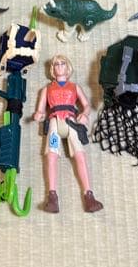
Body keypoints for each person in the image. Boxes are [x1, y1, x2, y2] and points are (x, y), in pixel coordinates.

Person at [34, 53, 103, 213]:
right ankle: (52, 196)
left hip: (71, 122)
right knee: (51, 155)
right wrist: (39, 114)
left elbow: (86, 105)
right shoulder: (47, 89)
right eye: (56, 64)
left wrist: (84, 114)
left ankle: (89, 195)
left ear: (68, 67)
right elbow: (41, 109)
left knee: (80, 155)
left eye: (62, 63)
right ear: (52, 69)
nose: (59, 66)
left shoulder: (75, 87)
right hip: (54, 122)